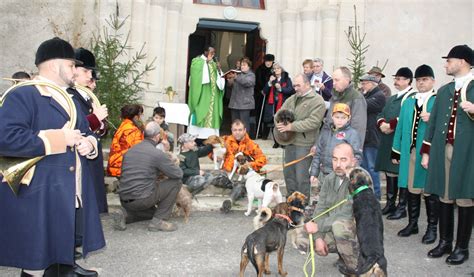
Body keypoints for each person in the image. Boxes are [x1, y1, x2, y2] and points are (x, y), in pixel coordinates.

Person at [0, 37, 104, 277]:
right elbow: (6, 138)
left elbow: (86, 132)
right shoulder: (23, 95)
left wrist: (89, 144)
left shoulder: (68, 96)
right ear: (54, 64)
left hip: (68, 189)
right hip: (39, 191)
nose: (74, 71)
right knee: (36, 263)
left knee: (58, 253)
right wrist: (58, 139)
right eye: (71, 65)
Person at [421, 45, 474, 265]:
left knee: (464, 197)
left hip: (468, 152)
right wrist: (426, 151)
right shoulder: (444, 90)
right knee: (443, 195)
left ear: (462, 61)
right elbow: (432, 124)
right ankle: (444, 242)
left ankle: (462, 247)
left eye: (449, 60)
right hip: (443, 149)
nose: (446, 64)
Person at [391, 64, 439, 243]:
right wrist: (396, 150)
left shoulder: (437, 100)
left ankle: (432, 228)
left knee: (428, 191)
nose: (421, 83)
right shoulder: (409, 101)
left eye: (425, 80)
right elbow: (401, 128)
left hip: (429, 153)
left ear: (433, 81)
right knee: (411, 188)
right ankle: (413, 224)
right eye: (419, 80)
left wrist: (433, 115)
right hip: (409, 151)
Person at [114, 121, 184, 232]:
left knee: (152, 212)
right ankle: (159, 221)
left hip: (124, 198)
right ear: (157, 137)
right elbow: (178, 174)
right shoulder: (157, 154)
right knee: (176, 182)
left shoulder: (129, 151)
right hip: (143, 199)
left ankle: (126, 214)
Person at [304, 143, 360, 272]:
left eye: (343, 159)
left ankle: (356, 266)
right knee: (300, 236)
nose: (338, 164)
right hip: (331, 225)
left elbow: (346, 214)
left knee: (339, 227)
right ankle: (343, 255)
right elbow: (321, 208)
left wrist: (318, 226)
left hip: (358, 231)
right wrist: (318, 236)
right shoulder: (329, 178)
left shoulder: (359, 179)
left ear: (354, 160)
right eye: (335, 159)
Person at [275, 73, 326, 200]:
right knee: (289, 174)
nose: (295, 88)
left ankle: (303, 204)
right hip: (289, 142)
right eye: (294, 85)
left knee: (301, 176)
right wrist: (280, 123)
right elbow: (278, 114)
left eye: (298, 85)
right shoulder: (292, 99)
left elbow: (314, 122)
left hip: (305, 144)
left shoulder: (317, 100)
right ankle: (291, 201)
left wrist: (291, 127)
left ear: (308, 84)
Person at [71, 47, 109, 216]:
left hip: (92, 154)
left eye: (90, 71)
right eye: (85, 71)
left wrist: (100, 123)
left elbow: (100, 130)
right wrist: (95, 118)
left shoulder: (86, 95)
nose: (90, 76)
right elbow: (72, 125)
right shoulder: (69, 95)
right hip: (79, 155)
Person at [375, 67, 415, 220]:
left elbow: (408, 115)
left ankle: (402, 206)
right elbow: (381, 113)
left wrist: (391, 125)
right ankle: (391, 203)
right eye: (396, 78)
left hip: (401, 139)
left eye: (399, 79)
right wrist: (382, 124)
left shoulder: (413, 97)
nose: (396, 82)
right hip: (387, 138)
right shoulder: (392, 98)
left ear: (408, 80)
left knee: (402, 172)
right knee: (390, 171)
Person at [310, 103, 362, 200]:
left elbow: (357, 156)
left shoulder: (352, 134)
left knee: (338, 200)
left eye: (343, 117)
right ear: (332, 116)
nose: (339, 120)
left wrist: (350, 172)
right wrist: (314, 173)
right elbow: (318, 154)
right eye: (337, 117)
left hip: (341, 175)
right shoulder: (325, 132)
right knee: (324, 199)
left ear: (349, 118)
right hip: (324, 174)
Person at [220, 119, 267, 207]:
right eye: (235, 130)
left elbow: (262, 159)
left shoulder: (251, 145)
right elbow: (211, 150)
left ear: (245, 130)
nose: (237, 132)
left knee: (240, 186)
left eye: (240, 130)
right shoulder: (225, 141)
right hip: (226, 175)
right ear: (231, 130)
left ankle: (229, 201)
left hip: (241, 177)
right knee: (210, 177)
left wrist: (250, 165)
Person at [188, 45, 225, 141]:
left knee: (212, 116)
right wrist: (206, 63)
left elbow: (219, 81)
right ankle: (197, 138)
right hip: (202, 95)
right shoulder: (197, 61)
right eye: (211, 52)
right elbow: (198, 78)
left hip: (213, 96)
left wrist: (219, 70)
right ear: (205, 52)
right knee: (200, 113)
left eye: (214, 53)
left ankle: (211, 139)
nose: (213, 55)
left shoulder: (213, 63)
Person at [359, 74, 386, 200]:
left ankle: (376, 196)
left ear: (371, 83)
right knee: (364, 168)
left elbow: (363, 105)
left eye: (364, 83)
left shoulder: (379, 96)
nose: (362, 86)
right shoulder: (366, 95)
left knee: (372, 168)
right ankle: (367, 195)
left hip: (372, 138)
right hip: (365, 138)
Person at [326, 67, 367, 143]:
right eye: (333, 80)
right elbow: (328, 122)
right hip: (329, 143)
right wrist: (317, 144)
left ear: (347, 80)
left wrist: (354, 150)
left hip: (344, 146)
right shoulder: (335, 96)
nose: (333, 83)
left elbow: (358, 128)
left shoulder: (356, 98)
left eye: (337, 80)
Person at [263, 62, 295, 148]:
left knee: (283, 122)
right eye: (275, 69)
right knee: (274, 123)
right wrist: (269, 82)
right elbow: (264, 91)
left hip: (283, 103)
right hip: (272, 103)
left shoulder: (287, 79)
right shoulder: (271, 78)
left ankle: (284, 141)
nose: (276, 70)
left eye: (278, 68)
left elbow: (291, 90)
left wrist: (280, 88)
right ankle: (276, 141)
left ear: (281, 70)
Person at [107, 104, 145, 177]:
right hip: (123, 168)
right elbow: (139, 151)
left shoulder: (123, 126)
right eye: (140, 115)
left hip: (114, 166)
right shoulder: (133, 130)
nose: (140, 118)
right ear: (136, 116)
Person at [227, 57, 256, 131]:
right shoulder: (237, 73)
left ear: (248, 66)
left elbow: (247, 83)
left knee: (244, 124)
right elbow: (230, 87)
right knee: (234, 124)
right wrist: (230, 81)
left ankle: (245, 141)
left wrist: (236, 77)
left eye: (244, 65)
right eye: (241, 65)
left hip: (245, 104)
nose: (242, 66)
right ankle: (235, 140)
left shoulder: (251, 75)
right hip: (234, 103)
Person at [254, 54, 275, 139]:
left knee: (268, 114)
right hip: (261, 94)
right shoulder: (259, 69)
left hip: (271, 95)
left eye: (270, 61)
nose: (268, 63)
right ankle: (258, 132)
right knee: (259, 113)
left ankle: (265, 134)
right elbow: (258, 82)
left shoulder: (274, 69)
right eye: (267, 61)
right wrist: (262, 90)